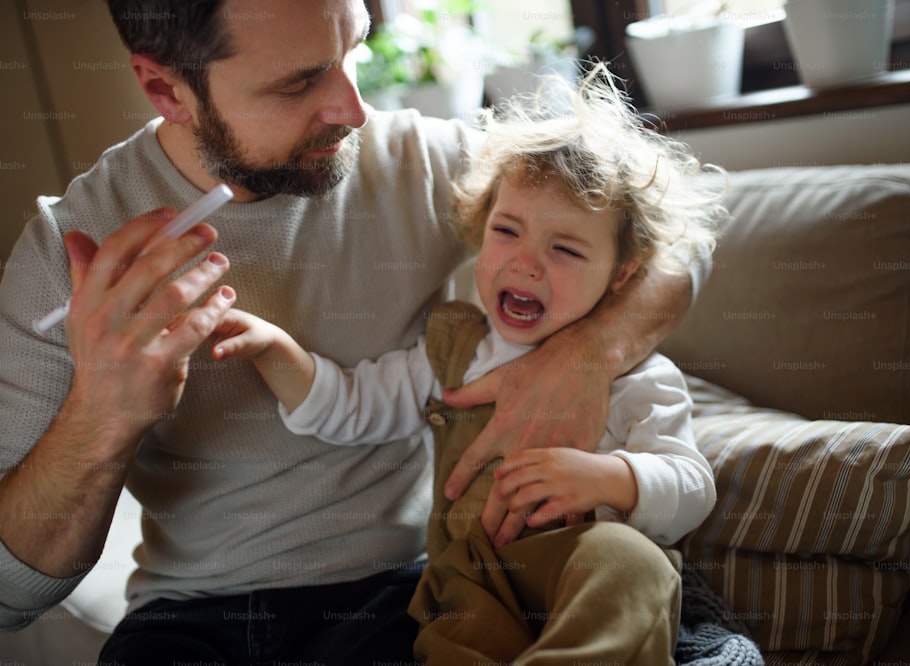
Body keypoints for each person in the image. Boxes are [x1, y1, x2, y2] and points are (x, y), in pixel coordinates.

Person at [0, 1, 711, 664]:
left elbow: (676, 249)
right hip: (196, 618)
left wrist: (586, 357)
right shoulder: (70, 253)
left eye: (354, 51)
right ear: (165, 90)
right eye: (300, 81)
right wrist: (102, 413)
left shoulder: (420, 162)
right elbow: (10, 594)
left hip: (409, 589)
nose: (354, 108)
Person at [209, 64, 722, 665]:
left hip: (584, 566)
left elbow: (692, 487)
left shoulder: (636, 375)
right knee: (450, 620)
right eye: (507, 231)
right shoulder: (454, 350)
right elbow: (352, 406)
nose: (526, 264)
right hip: (474, 576)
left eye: (564, 248)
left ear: (622, 273)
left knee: (635, 566)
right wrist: (275, 349)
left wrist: (612, 479)